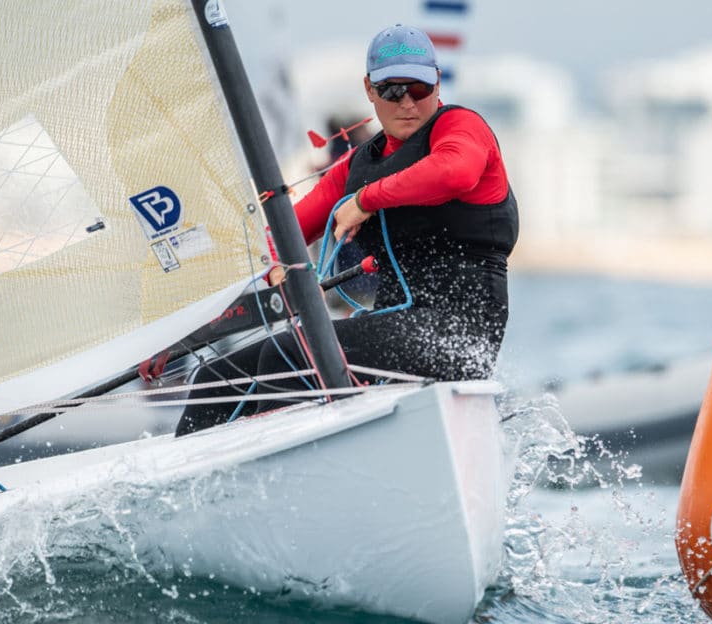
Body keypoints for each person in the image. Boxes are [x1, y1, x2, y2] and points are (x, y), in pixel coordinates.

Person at [175, 24, 518, 436]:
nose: (407, 101)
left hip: (458, 336)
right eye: (392, 90)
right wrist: (178, 333)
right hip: (395, 327)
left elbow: (456, 171)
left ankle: (271, 474)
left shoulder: (458, 129)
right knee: (214, 376)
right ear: (369, 89)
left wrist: (364, 201)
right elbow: (278, 240)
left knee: (289, 351)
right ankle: (195, 487)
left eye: (419, 88)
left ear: (438, 83)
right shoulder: (357, 166)